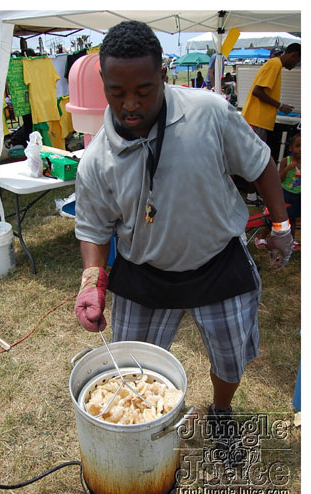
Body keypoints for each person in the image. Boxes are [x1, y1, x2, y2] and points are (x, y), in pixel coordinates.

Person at [73, 21, 293, 458]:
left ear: (163, 75)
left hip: (218, 263)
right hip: (145, 273)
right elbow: (94, 229)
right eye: (117, 92)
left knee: (231, 360)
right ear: (103, 83)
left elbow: (260, 164)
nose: (130, 104)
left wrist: (282, 226)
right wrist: (91, 283)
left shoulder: (208, 112)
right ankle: (141, 430)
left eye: (144, 90)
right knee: (132, 370)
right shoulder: (96, 160)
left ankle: (221, 412)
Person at [241, 43, 301, 206]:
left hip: (260, 121)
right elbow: (257, 91)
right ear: (293, 54)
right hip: (256, 120)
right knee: (255, 159)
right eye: (296, 62)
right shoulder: (274, 64)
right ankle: (251, 196)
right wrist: (280, 106)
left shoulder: (276, 65)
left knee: (258, 158)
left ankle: (255, 195)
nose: (294, 66)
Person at [255, 133, 301, 251]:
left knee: (293, 219)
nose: (301, 150)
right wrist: (287, 169)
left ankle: (290, 241)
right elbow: (279, 178)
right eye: (298, 146)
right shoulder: (287, 160)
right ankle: (263, 237)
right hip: (285, 193)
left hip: (298, 194)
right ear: (290, 148)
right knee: (275, 218)